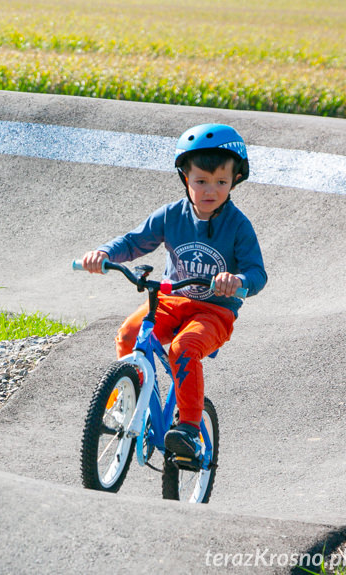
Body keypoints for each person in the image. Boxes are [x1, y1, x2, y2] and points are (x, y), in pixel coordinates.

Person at [79, 123, 267, 460]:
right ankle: (127, 403)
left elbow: (257, 273)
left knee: (184, 347)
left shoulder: (238, 226)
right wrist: (104, 253)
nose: (211, 190)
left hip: (214, 312)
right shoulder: (171, 216)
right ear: (185, 178)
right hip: (170, 299)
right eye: (201, 181)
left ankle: (189, 429)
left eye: (221, 182)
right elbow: (134, 242)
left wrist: (238, 281)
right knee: (129, 334)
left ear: (235, 180)